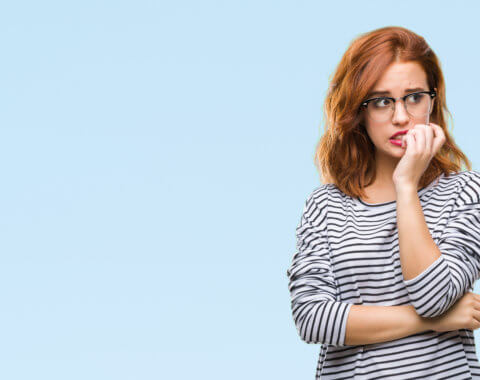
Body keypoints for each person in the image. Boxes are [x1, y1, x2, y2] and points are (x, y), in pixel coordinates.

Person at [286, 25, 480, 379]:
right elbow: (311, 318)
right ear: (358, 111)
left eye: (414, 97)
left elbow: (434, 295)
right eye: (381, 101)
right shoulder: (325, 206)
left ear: (432, 101)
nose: (401, 117)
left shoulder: (466, 193)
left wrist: (405, 185)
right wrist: (432, 322)